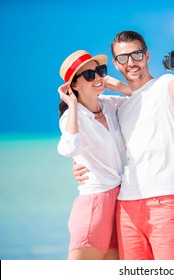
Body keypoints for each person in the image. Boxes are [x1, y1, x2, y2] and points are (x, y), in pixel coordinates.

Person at [74, 31, 174, 260]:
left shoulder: (165, 85)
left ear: (147, 55)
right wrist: (80, 162)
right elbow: (94, 134)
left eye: (137, 55)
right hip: (126, 205)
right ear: (115, 64)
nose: (131, 62)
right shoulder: (118, 107)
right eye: (123, 58)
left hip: (166, 201)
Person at [57, 50, 131, 260]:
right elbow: (70, 148)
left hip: (119, 201)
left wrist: (110, 83)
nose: (97, 77)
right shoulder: (72, 118)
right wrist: (71, 105)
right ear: (74, 85)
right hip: (95, 203)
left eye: (100, 71)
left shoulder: (109, 105)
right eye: (89, 75)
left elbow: (137, 97)